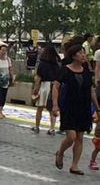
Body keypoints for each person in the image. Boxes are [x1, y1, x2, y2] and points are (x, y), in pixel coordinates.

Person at [52, 44, 100, 175]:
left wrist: (97, 109)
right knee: (71, 136)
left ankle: (74, 165)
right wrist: (55, 105)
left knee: (79, 136)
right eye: (80, 53)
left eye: (84, 53)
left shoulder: (85, 71)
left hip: (83, 107)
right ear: (73, 56)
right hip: (69, 106)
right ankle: (60, 153)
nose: (83, 55)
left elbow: (91, 91)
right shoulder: (65, 70)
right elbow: (56, 87)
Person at [32, 46, 59, 135]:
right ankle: (52, 128)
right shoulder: (56, 65)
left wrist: (35, 88)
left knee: (40, 108)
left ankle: (36, 126)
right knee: (51, 109)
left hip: (44, 86)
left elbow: (38, 77)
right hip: (53, 86)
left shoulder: (42, 63)